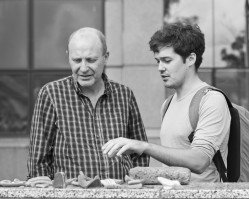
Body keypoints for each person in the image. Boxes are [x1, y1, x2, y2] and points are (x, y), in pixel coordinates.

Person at [102, 22, 231, 182]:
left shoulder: (211, 100)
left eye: (167, 60)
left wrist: (144, 147)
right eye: (158, 61)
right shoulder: (168, 104)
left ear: (190, 59)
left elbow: (199, 161)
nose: (160, 68)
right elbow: (175, 170)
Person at [27, 27, 149, 180]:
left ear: (106, 57)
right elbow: (38, 161)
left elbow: (140, 151)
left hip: (118, 193)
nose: (83, 68)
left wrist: (136, 187)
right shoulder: (51, 94)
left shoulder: (125, 95)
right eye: (77, 60)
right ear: (68, 57)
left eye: (91, 60)